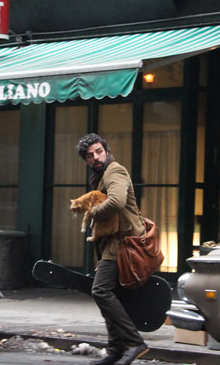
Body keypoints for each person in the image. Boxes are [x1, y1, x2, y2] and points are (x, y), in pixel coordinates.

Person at [76, 133, 149, 365]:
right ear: (86, 160)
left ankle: (134, 342)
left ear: (106, 151)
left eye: (98, 151)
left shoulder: (114, 171)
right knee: (110, 293)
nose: (96, 157)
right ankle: (115, 350)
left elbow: (116, 201)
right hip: (112, 243)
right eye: (90, 155)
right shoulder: (99, 176)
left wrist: (91, 214)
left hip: (123, 243)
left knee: (101, 291)